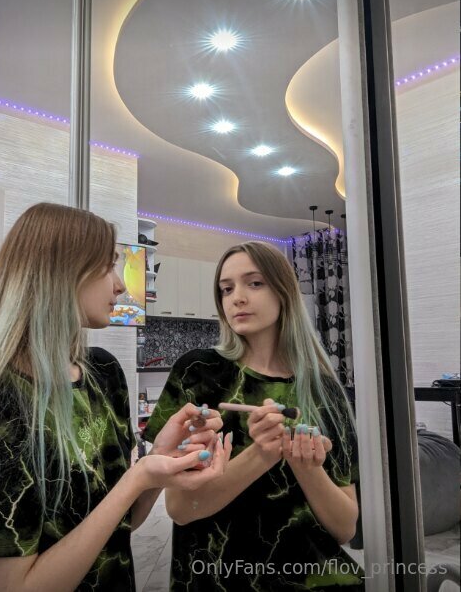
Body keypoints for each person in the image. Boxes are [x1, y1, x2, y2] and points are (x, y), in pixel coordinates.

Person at [0, 203, 231, 592]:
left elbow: (124, 523)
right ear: (59, 272)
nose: (120, 285)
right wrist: (137, 477)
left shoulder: (104, 373)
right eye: (107, 266)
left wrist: (159, 458)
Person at [144, 241, 364, 591]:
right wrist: (262, 454)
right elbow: (182, 509)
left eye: (254, 283)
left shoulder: (323, 390)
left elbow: (344, 528)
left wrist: (306, 467)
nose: (237, 298)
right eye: (226, 289)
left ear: (284, 291)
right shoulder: (199, 372)